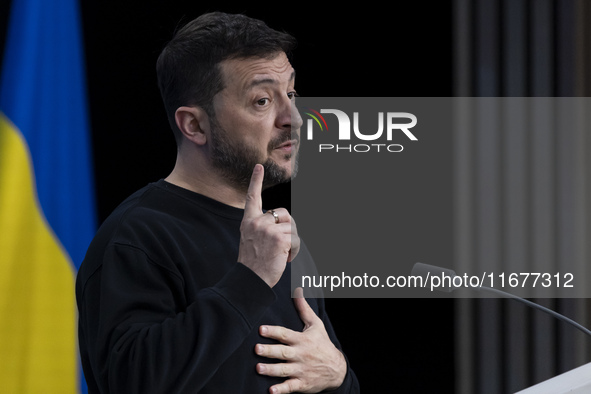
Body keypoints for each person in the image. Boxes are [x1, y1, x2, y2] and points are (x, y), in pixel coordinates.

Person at [76, 11, 360, 394]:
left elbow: (324, 374)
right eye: (262, 100)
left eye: (290, 93)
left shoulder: (279, 238)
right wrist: (250, 280)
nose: (293, 117)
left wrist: (338, 374)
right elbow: (132, 381)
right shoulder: (136, 237)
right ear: (194, 125)